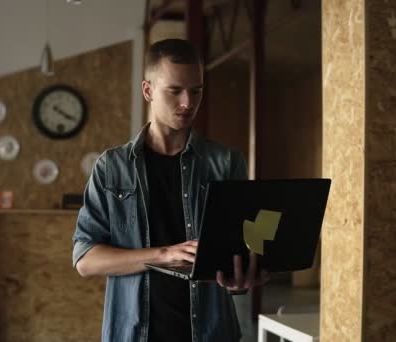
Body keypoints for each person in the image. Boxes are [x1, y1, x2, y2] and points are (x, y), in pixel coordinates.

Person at [72, 38, 268, 342]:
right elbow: (85, 259)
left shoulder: (227, 162)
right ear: (148, 91)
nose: (188, 103)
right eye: (174, 91)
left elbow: (242, 249)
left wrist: (239, 279)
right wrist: (164, 255)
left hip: (213, 333)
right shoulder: (112, 167)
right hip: (133, 335)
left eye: (196, 90)